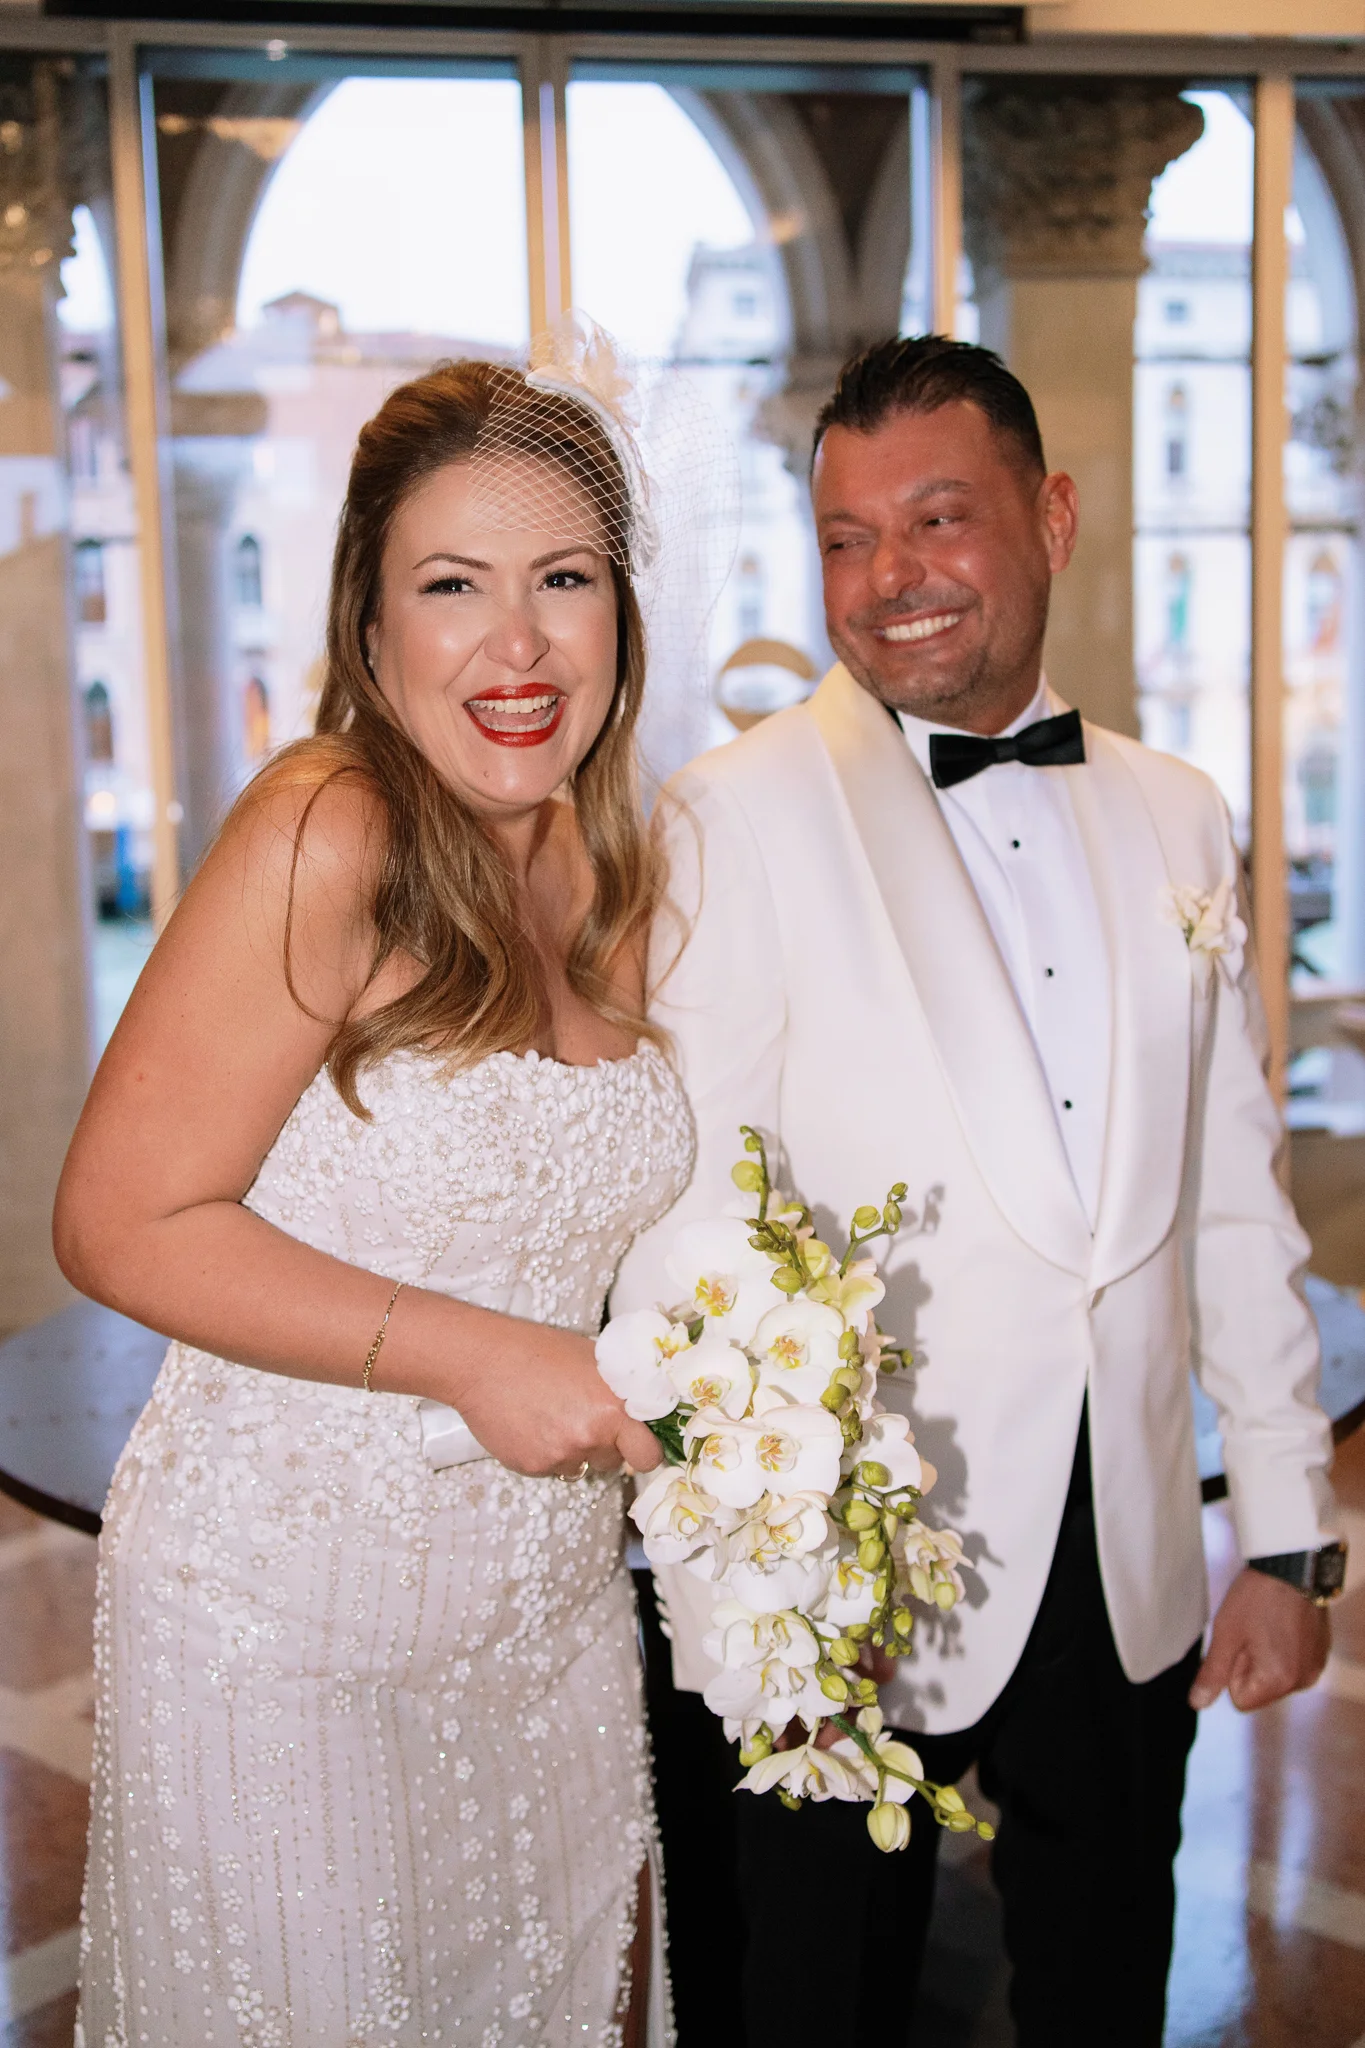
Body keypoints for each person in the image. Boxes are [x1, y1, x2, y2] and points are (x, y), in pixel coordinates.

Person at [612, 335, 1346, 2047]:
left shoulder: (1179, 815)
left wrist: (1293, 1533)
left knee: (1106, 1987)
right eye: (848, 537)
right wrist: (754, 1633)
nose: (889, 581)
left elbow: (1231, 1183)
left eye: (936, 520)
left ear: (1055, 516)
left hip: (1135, 1558)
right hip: (852, 1585)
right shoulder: (732, 817)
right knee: (819, 2002)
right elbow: (683, 1235)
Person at [55, 354, 693, 2047]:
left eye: (565, 581)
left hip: (547, 1627)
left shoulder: (603, 861)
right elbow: (121, 1219)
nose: (519, 647)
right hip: (288, 1626)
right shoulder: (325, 827)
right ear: (367, 625)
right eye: (453, 587)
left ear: (623, 610)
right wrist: (477, 1354)